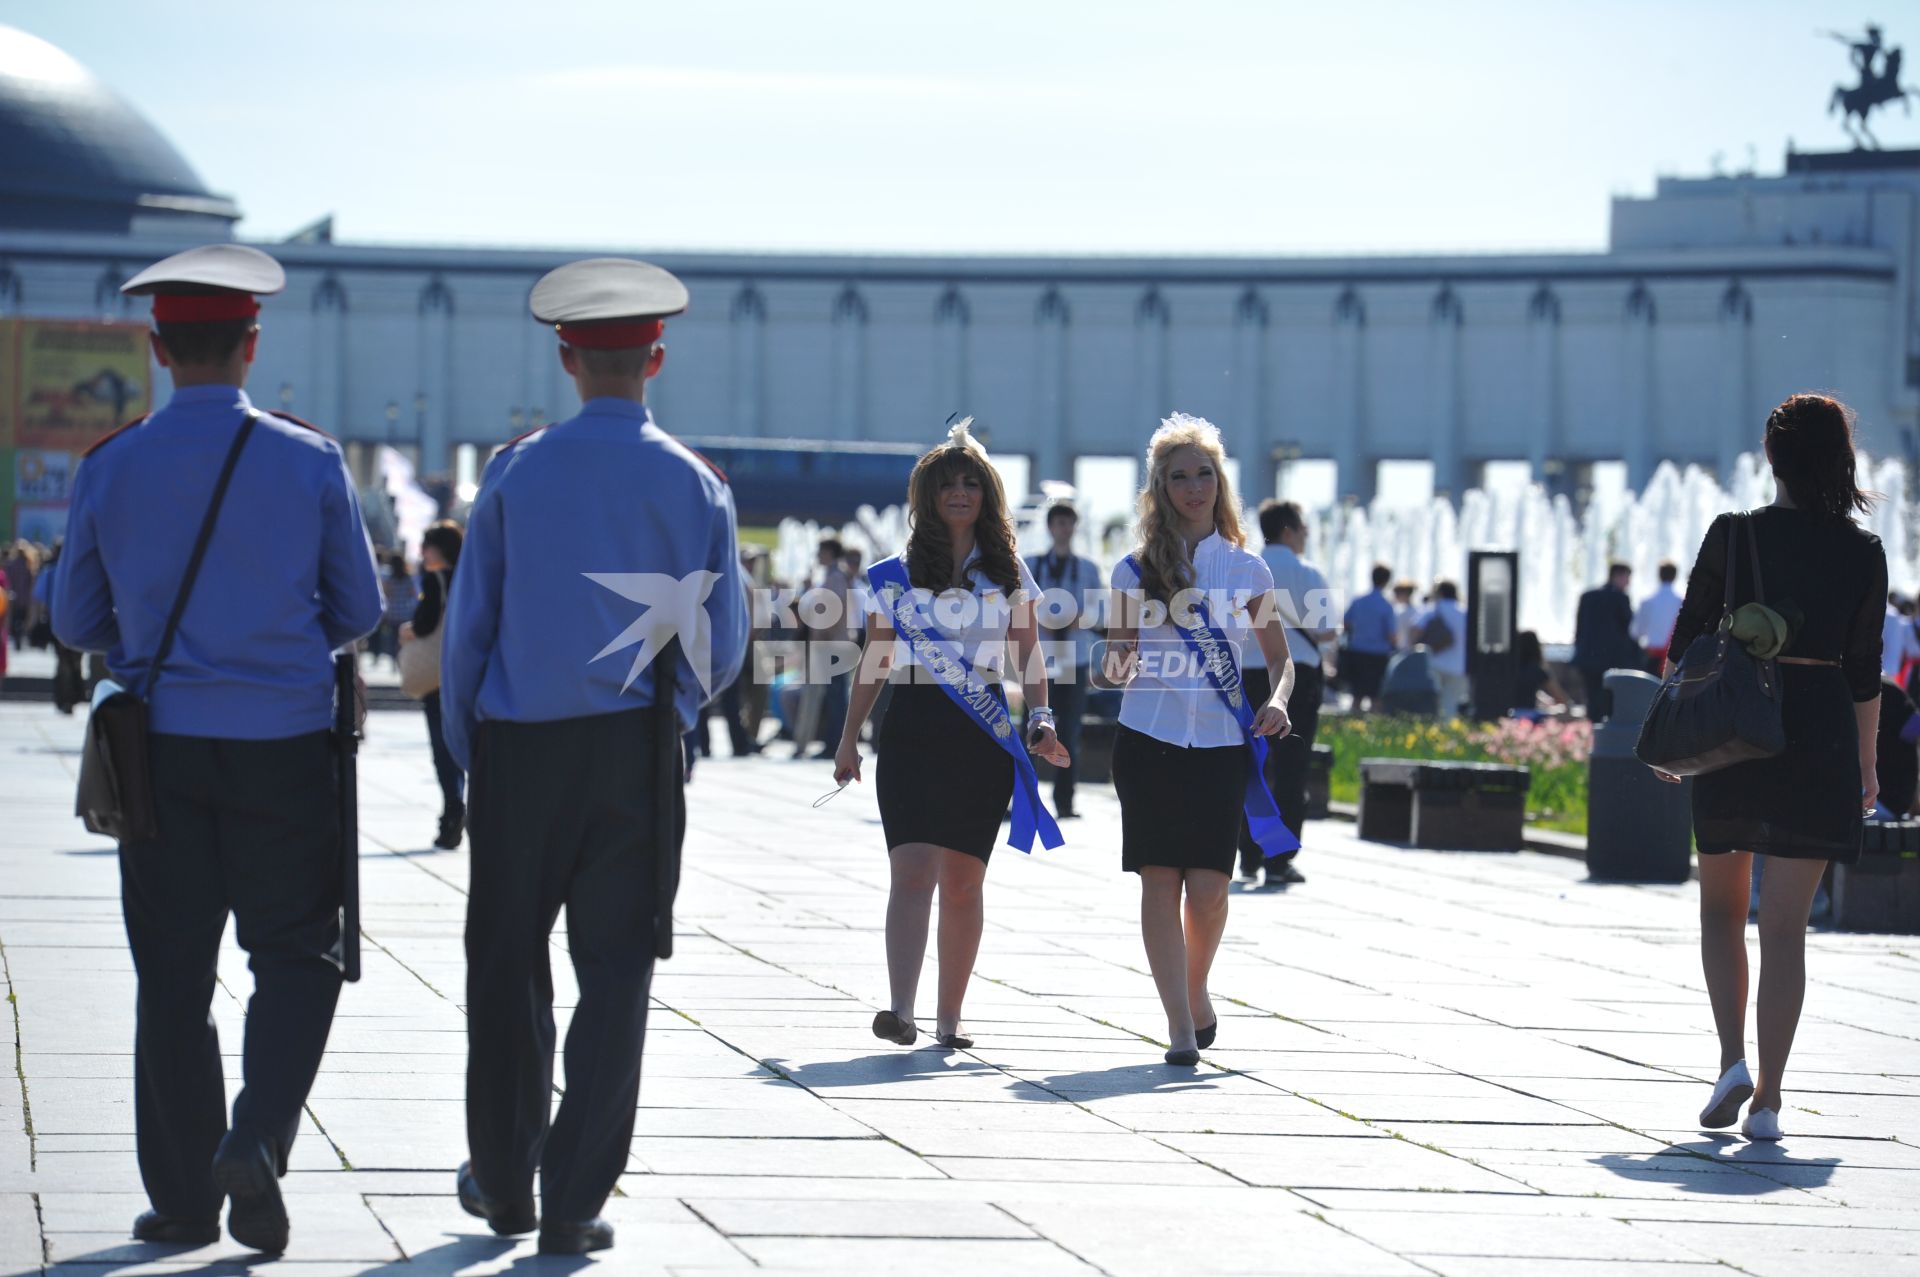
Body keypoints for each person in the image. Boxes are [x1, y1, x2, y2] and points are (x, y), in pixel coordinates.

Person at [51, 244, 382, 1254]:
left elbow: (73, 619)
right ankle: (258, 1137)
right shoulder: (309, 458)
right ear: (250, 343)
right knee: (297, 956)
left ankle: (187, 1200)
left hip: (161, 754)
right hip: (286, 747)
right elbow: (359, 608)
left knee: (173, 973)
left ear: (156, 347)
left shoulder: (111, 464)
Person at [439, 258, 748, 1256]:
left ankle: (502, 1174)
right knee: (618, 970)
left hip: (520, 748)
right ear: (656, 356)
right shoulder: (697, 482)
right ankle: (575, 1195)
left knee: (504, 965)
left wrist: (467, 745)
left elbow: (469, 626)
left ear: (567, 357)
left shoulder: (517, 470)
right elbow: (727, 638)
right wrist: (674, 717)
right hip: (634, 752)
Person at [1657, 393, 1886, 1143]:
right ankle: (1771, 1100)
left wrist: (1672, 733)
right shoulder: (1865, 552)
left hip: (1735, 729)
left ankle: (1730, 1061)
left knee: (1721, 909)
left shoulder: (1735, 535)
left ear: (1772, 458)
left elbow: (1688, 637)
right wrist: (1866, 764)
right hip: (1818, 735)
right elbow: (1864, 671)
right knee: (1786, 928)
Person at [832, 421, 1067, 1050]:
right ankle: (900, 1009)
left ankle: (949, 1018)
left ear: (987, 494)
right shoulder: (893, 574)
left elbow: (1030, 658)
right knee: (910, 869)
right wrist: (849, 737)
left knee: (964, 880)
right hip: (911, 726)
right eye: (947, 485)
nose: (959, 493)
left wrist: (1041, 718)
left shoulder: (1009, 571)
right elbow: (874, 659)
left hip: (981, 730)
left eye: (971, 483)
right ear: (926, 497)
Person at [1104, 414, 1295, 1064]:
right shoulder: (1133, 571)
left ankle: (1194, 989)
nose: (1194, 487)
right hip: (1148, 740)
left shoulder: (1248, 569)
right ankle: (1179, 1026)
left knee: (1211, 887)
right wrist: (1115, 661)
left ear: (1221, 482)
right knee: (1159, 879)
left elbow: (1280, 657)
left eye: (1204, 474)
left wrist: (1276, 700)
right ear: (1160, 487)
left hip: (1220, 742)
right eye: (1179, 476)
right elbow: (1117, 658)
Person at [1242, 499, 1333, 887]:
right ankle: (1279, 860)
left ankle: (1246, 854)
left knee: (1248, 765)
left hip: (1244, 672)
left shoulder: (1243, 568)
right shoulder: (1307, 573)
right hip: (1296, 676)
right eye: (1303, 531)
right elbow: (1328, 631)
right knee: (1292, 768)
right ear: (1289, 531)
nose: (1305, 538)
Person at [1025, 501, 1103, 818]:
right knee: (1030, 727)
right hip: (1041, 656)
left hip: (1073, 656)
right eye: (1058, 523)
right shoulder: (1031, 564)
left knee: (1069, 729)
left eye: (1068, 523)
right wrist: (1041, 620)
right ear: (1050, 527)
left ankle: (1065, 801)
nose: (1063, 529)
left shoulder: (1087, 568)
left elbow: (1097, 612)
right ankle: (1022, 797)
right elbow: (1020, 607)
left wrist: (1074, 618)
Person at [399, 519, 465, 849]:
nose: (423, 553)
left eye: (427, 546)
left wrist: (408, 630)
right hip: (467, 674)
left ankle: (453, 809)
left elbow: (425, 625)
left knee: (443, 749)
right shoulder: (472, 577)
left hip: (438, 678)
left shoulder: (435, 580)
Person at [790, 538, 854, 759]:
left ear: (830, 553)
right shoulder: (833, 576)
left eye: (821, 551)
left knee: (836, 696)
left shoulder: (835, 577)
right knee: (833, 695)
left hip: (832, 646)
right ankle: (831, 743)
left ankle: (833, 744)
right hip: (832, 644)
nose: (818, 555)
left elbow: (832, 612)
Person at [1573, 563, 1640, 719]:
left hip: (1588, 657)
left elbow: (1579, 627)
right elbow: (1629, 628)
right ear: (1617, 575)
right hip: (1611, 660)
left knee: (1592, 698)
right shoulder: (1620, 598)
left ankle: (1590, 735)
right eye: (1627, 578)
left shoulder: (1587, 596)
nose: (1628, 583)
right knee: (1609, 702)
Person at [1343, 564, 1398, 712]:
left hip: (1357, 651)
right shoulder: (1386, 605)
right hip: (1378, 655)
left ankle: (1353, 725)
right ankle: (1373, 729)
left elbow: (1346, 623)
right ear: (1387, 581)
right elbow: (1391, 635)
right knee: (1375, 696)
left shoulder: (1358, 601)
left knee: (1357, 695)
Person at [1414, 581, 1468, 716]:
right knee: (1450, 704)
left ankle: (1433, 732)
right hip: (1459, 665)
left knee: (1432, 704)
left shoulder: (1431, 609)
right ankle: (1447, 732)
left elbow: (1415, 632)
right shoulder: (1465, 612)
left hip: (1433, 663)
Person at [1874, 677, 1920, 819]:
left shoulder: (1836, 691)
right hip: (1891, 801)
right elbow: (1914, 730)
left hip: (1873, 801)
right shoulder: (1890, 691)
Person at [1632, 561, 1685, 671]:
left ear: (1658, 575)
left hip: (1652, 656)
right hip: (1674, 659)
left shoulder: (1647, 601)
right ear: (1675, 576)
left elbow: (1635, 632)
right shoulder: (1682, 603)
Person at [1509, 630, 1570, 716]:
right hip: (1529, 716)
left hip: (1510, 714)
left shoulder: (1509, 669)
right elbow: (1560, 699)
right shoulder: (1537, 670)